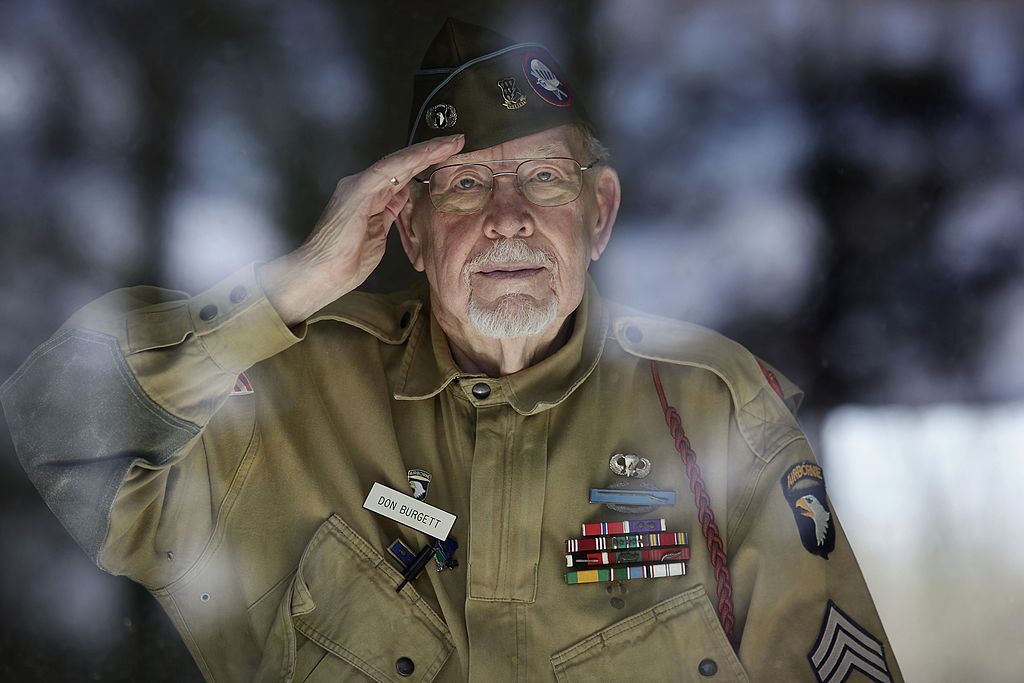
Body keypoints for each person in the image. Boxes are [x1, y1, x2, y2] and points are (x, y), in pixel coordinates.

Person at [1, 18, 902, 683]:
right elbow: (59, 426)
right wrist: (293, 288)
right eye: (466, 184)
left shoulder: (713, 406)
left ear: (600, 213)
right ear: (409, 231)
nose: (509, 217)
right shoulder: (281, 398)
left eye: (545, 176)